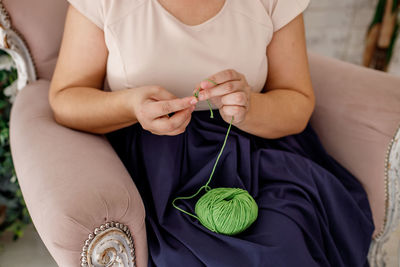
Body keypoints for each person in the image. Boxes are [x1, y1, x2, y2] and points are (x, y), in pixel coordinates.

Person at [49, 0, 374, 266]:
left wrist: (250, 107)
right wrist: (131, 105)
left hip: (256, 156)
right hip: (152, 168)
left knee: (285, 240)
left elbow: (298, 102)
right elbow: (66, 99)